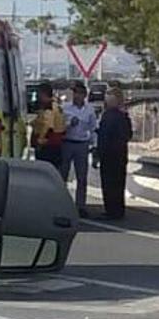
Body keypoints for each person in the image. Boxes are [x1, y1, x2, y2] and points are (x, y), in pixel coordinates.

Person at [60, 81, 97, 218]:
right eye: (75, 93)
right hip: (67, 143)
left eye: (80, 93)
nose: (77, 96)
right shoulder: (65, 108)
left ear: (84, 95)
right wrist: (70, 124)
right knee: (63, 174)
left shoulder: (89, 110)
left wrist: (94, 146)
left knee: (82, 177)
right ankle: (61, 203)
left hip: (82, 144)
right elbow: (60, 126)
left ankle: (81, 206)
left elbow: (93, 128)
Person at [95, 89, 133, 219]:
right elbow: (129, 135)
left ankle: (111, 210)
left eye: (109, 99)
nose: (107, 101)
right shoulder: (124, 116)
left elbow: (103, 137)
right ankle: (118, 210)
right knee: (119, 184)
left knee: (109, 184)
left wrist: (98, 154)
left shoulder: (108, 116)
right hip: (121, 155)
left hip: (109, 155)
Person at [30, 82, 65, 170]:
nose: (37, 97)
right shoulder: (54, 106)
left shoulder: (50, 107)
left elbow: (47, 126)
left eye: (38, 94)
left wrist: (39, 141)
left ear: (43, 94)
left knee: (45, 172)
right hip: (53, 147)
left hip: (48, 148)